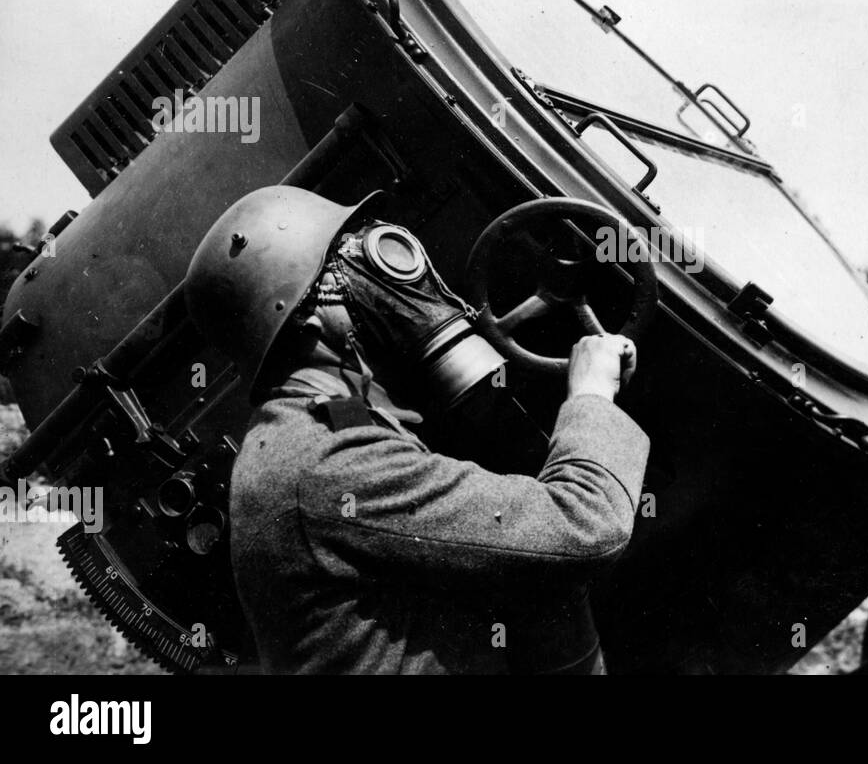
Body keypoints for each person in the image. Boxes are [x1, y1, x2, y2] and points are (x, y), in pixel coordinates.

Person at [184, 186, 650, 674]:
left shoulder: (307, 423)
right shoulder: (329, 461)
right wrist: (591, 396)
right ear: (313, 326)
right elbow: (585, 527)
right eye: (362, 272)